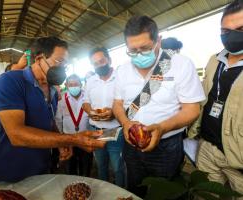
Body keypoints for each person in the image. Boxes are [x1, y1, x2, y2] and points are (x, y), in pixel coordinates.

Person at [0, 36, 105, 183]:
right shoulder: (10, 81)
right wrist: (73, 139)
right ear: (39, 58)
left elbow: (48, 122)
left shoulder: (53, 91)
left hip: (42, 170)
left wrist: (61, 142)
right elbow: (16, 134)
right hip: (11, 173)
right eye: (59, 61)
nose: (63, 69)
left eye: (65, 65)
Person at [112, 16, 205, 197]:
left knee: (165, 191)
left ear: (158, 41)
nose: (138, 54)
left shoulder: (180, 64)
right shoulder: (122, 70)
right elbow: (116, 104)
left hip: (167, 146)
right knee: (135, 187)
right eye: (132, 51)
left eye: (145, 48)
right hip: (131, 143)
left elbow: (192, 109)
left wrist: (162, 128)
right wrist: (125, 123)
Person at [188, 0, 243, 197]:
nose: (232, 36)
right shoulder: (214, 59)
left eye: (240, 28)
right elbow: (205, 98)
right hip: (206, 148)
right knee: (204, 194)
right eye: (225, 31)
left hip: (238, 159)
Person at [83, 47, 125, 187]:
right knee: (101, 165)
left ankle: (120, 193)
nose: (99, 65)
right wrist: (92, 113)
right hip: (96, 130)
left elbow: (129, 103)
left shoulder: (120, 78)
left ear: (109, 60)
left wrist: (114, 112)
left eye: (102, 61)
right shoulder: (91, 81)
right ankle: (104, 191)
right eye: (95, 63)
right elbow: (86, 103)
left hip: (115, 131)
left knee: (118, 167)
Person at [55, 74, 93, 177]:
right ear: (66, 85)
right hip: (68, 138)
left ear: (81, 84)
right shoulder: (62, 99)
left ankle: (85, 184)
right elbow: (58, 119)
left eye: (76, 84)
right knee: (70, 167)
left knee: (85, 166)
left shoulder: (88, 97)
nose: (73, 86)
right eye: (71, 84)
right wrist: (60, 136)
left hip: (85, 138)